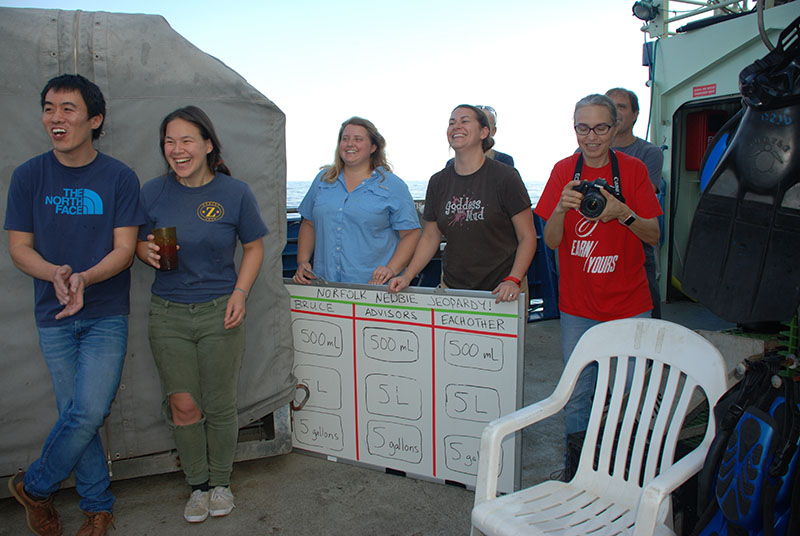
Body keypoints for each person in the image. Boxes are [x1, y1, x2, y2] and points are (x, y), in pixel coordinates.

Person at [4, 74, 145, 536]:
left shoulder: (119, 177)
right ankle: (97, 506)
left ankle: (35, 486)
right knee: (76, 414)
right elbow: (19, 246)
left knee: (87, 411)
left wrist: (85, 276)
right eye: (48, 108)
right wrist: (56, 274)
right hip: (54, 313)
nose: (55, 118)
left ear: (95, 119)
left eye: (67, 108)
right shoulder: (28, 176)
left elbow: (125, 250)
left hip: (105, 312)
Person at [136, 106, 267, 523]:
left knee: (220, 403)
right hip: (168, 313)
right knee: (184, 405)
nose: (177, 149)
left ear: (208, 145)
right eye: (169, 142)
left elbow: (254, 246)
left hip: (219, 311)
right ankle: (197, 487)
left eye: (187, 140)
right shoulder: (151, 192)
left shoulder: (235, 193)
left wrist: (240, 293)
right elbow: (136, 241)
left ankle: (221, 483)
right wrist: (145, 250)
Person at [535, 94, 661, 479]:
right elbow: (552, 241)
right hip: (578, 306)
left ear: (616, 127)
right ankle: (578, 469)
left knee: (630, 391)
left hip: (629, 302)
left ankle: (625, 468)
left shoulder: (635, 169)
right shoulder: (562, 171)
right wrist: (560, 207)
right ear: (574, 128)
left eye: (601, 128)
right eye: (582, 128)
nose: (591, 137)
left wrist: (621, 212)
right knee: (576, 393)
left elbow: (653, 235)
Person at [389, 104, 536, 303]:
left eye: (465, 121)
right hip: (453, 289)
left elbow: (527, 237)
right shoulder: (438, 182)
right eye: (452, 122)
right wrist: (407, 276)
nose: (456, 126)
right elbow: (431, 236)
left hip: (502, 291)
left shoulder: (506, 177)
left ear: (484, 132)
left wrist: (513, 279)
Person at [292, 117, 420, 285]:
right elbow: (309, 223)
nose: (350, 144)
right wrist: (303, 262)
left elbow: (411, 234)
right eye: (345, 139)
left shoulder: (393, 186)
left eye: (358, 139)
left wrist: (392, 269)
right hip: (324, 285)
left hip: (374, 288)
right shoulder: (322, 180)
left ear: (373, 147)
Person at [606, 87, 664, 318]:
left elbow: (644, 198)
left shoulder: (649, 153)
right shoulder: (582, 154)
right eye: (611, 106)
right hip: (598, 250)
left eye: (622, 106)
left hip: (637, 245)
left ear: (636, 113)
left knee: (648, 315)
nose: (616, 112)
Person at [446, 104, 515, 167]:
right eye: (452, 123)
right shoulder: (450, 165)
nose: (457, 127)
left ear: (493, 131)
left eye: (465, 121)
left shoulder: (504, 161)